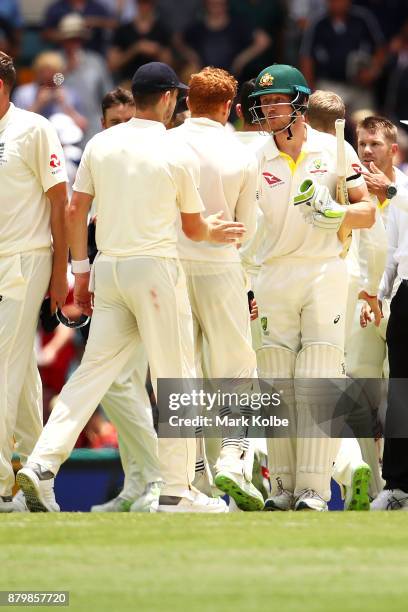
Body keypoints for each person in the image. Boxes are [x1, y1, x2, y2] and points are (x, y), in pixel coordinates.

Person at [17, 62, 245, 513]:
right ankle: (177, 491)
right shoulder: (174, 148)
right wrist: (215, 230)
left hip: (111, 269)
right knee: (174, 376)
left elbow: (75, 210)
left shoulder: (101, 143)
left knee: (91, 374)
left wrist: (81, 274)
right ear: (165, 99)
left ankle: (42, 464)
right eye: (176, 98)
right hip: (156, 270)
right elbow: (194, 228)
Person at [249, 63, 375, 511]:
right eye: (262, 101)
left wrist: (335, 214)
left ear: (299, 103)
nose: (266, 108)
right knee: (276, 381)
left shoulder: (334, 149)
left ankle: (314, 491)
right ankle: (282, 488)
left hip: (323, 269)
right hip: (273, 272)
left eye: (274, 100)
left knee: (317, 377)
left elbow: (368, 211)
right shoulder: (256, 155)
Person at [167, 66, 262, 511]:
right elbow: (247, 229)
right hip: (223, 267)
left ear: (188, 102)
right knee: (235, 371)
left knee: (179, 371)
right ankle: (230, 454)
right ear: (229, 107)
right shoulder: (242, 151)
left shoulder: (166, 143)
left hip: (171, 267)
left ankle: (192, 475)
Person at [0, 52, 68, 513]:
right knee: (19, 371)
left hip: (25, 260)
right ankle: (36, 477)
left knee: (3, 366)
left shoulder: (34, 128)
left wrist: (62, 273)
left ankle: (3, 484)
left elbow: (60, 204)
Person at [299, 0, 385, 113]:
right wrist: (311, 92)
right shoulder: (318, 23)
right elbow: (306, 58)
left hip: (360, 87)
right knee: (329, 125)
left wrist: (372, 71)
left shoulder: (363, 18)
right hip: (329, 86)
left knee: (365, 120)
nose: (338, 3)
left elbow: (381, 48)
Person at [57, 13, 114, 142]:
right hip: (63, 130)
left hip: (94, 129)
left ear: (82, 39)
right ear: (63, 40)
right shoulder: (54, 61)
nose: (73, 43)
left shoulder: (96, 62)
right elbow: (50, 86)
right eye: (69, 39)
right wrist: (66, 70)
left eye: (76, 38)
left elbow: (108, 96)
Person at [12, 51, 87, 132]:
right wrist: (38, 104)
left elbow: (82, 126)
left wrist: (65, 105)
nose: (48, 77)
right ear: (37, 72)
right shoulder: (23, 93)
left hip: (61, 143)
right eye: (44, 72)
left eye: (53, 73)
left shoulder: (70, 94)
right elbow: (15, 126)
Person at [108, 0, 172, 84]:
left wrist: (157, 51)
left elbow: (169, 65)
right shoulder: (123, 30)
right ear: (137, 4)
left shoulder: (161, 30)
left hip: (156, 82)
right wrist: (135, 49)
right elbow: (112, 64)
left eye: (148, 3)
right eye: (141, 3)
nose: (145, 7)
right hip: (130, 81)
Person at [42, 0, 116, 56]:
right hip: (63, 55)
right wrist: (68, 33)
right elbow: (44, 35)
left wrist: (96, 22)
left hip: (92, 54)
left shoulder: (97, 7)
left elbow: (115, 25)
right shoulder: (56, 8)